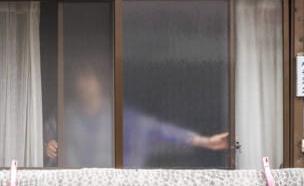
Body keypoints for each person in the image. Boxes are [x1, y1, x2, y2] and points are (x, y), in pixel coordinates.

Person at [44, 66, 230, 168]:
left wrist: (206, 142)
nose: (81, 84)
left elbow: (163, 133)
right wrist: (47, 148)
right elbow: (37, 145)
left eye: (87, 77)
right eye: (77, 79)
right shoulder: (64, 115)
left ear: (100, 82)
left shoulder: (124, 119)